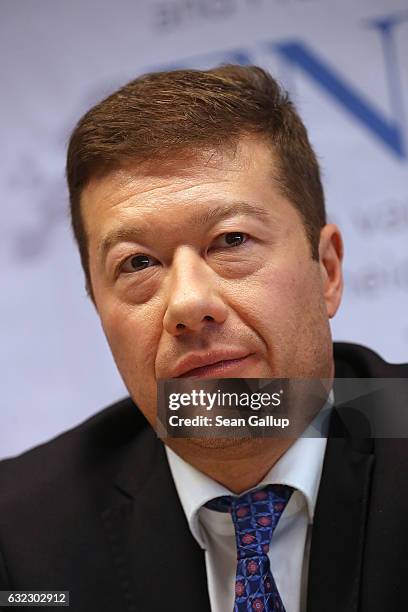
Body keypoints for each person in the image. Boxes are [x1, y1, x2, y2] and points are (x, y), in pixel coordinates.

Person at [0, 65, 407, 612]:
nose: (189, 305)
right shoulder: (20, 538)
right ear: (98, 308)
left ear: (327, 270)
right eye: (138, 262)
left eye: (231, 240)